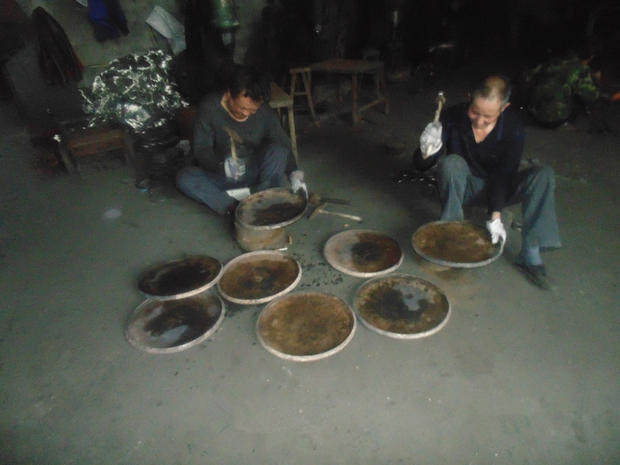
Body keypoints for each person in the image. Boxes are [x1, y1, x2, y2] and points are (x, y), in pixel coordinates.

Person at [414, 75, 561, 289]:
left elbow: (505, 174)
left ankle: (530, 254)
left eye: (488, 117)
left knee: (543, 175)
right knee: (451, 163)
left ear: (504, 108)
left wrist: (495, 214)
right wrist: (425, 152)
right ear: (469, 98)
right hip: (463, 187)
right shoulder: (452, 116)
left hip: (500, 189)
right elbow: (420, 166)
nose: (479, 121)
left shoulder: (513, 127)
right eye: (475, 112)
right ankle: (450, 233)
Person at [176, 65, 307, 217]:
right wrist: (221, 166)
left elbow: (282, 143)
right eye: (242, 107)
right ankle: (233, 208)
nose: (246, 113)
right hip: (222, 175)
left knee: (278, 151)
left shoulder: (264, 112)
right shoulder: (209, 107)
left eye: (252, 110)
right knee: (185, 177)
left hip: (254, 171)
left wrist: (294, 174)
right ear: (229, 94)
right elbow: (201, 149)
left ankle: (266, 198)